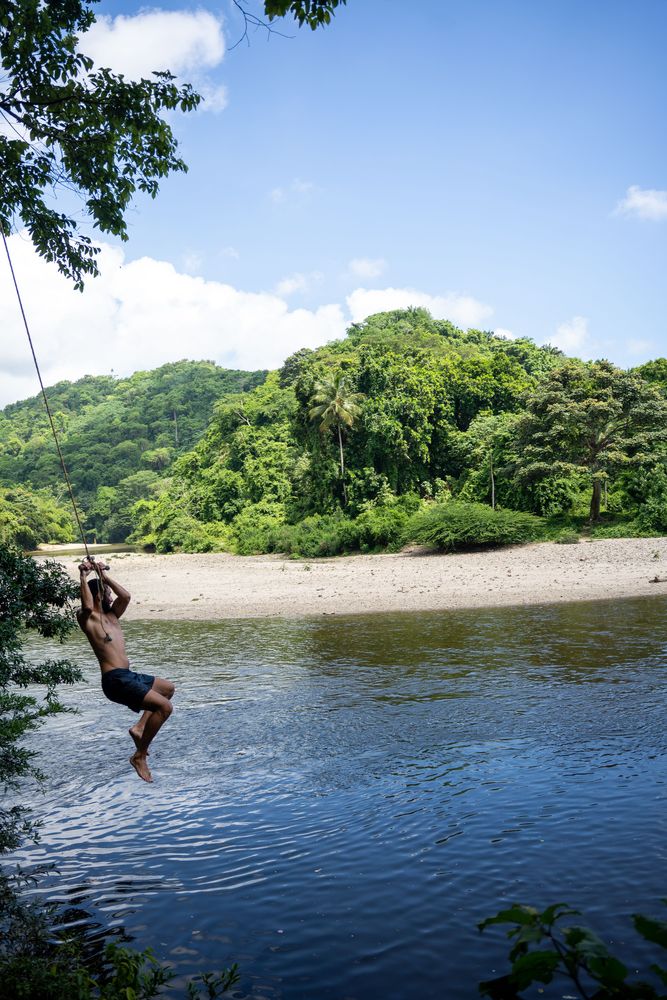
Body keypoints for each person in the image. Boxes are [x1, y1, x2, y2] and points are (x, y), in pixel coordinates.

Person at [76, 558, 175, 783]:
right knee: (164, 707)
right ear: (98, 595)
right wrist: (83, 576)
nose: (111, 597)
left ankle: (139, 728)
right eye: (107, 593)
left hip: (127, 675)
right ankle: (139, 756)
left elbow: (126, 596)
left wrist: (104, 576)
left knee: (167, 689)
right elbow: (87, 606)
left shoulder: (112, 616)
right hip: (114, 680)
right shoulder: (88, 619)